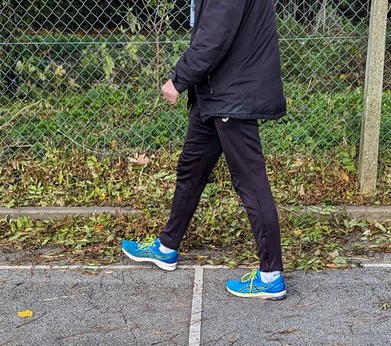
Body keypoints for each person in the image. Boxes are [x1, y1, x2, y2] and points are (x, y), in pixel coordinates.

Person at [120, 0, 288, 299]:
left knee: (250, 182)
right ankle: (166, 247)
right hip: (214, 94)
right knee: (191, 168)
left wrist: (179, 79)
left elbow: (214, 37)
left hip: (233, 95)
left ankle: (271, 275)